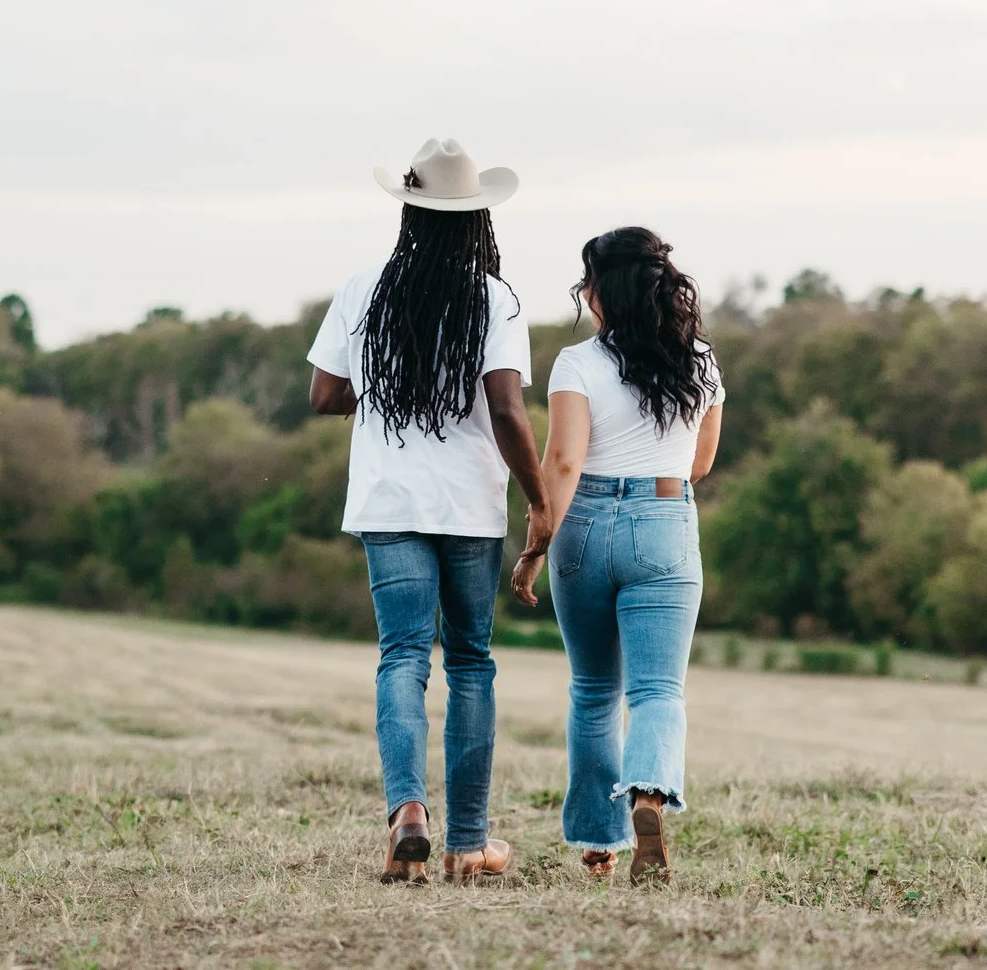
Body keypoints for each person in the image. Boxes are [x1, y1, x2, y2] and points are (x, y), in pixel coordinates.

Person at [308, 138, 550, 883]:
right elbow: (507, 408)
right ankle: (467, 843)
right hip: (469, 508)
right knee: (471, 661)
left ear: (408, 211)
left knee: (402, 656)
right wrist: (540, 501)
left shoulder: (363, 290)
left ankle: (407, 811)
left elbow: (324, 395)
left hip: (389, 502)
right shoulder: (495, 296)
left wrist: (384, 373)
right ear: (476, 216)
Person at [510, 227, 723, 885]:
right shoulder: (702, 361)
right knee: (659, 689)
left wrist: (535, 545)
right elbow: (701, 462)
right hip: (665, 516)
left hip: (588, 525)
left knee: (594, 690)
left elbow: (564, 461)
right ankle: (649, 799)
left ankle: (598, 840)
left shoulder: (578, 363)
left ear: (600, 289)